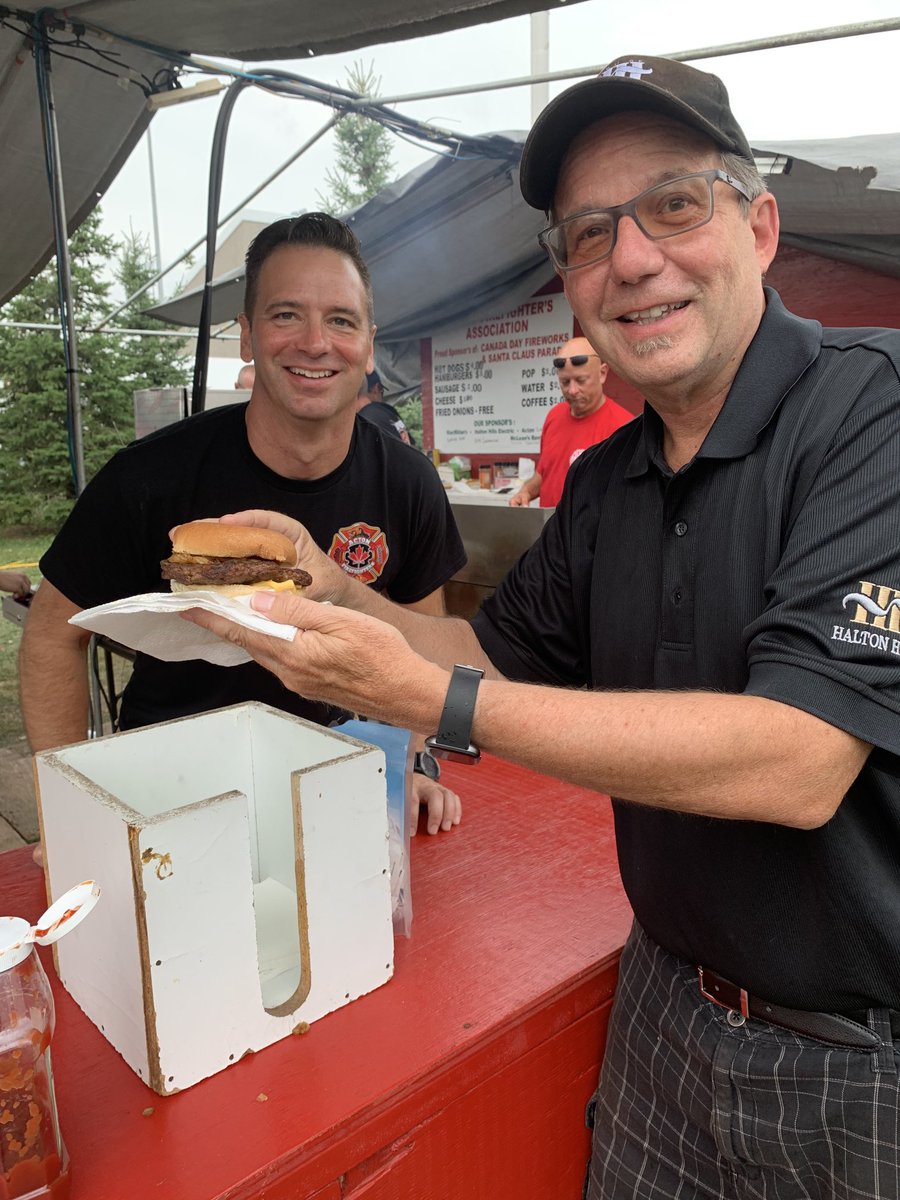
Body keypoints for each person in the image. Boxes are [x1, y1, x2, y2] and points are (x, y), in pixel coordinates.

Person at [183, 55, 900, 1198]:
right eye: (585, 235)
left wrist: (431, 704)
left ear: (759, 225)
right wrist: (331, 589)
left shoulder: (874, 408)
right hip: (663, 1002)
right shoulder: (610, 480)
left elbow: (802, 759)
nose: (630, 258)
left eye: (674, 204)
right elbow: (482, 656)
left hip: (864, 1062)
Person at [19, 213, 464, 837]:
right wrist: (65, 804)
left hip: (341, 790)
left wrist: (413, 761)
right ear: (248, 336)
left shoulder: (408, 480)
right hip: (170, 798)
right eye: (286, 315)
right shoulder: (149, 478)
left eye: (341, 319)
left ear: (368, 343)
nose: (315, 342)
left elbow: (425, 644)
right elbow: (51, 636)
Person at [508, 337, 631, 508]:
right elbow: (545, 473)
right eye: (565, 382)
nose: (572, 390)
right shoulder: (553, 416)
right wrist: (526, 491)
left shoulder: (625, 428)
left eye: (581, 381)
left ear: (602, 373)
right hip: (550, 530)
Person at [356, 369, 414, 445]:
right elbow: (413, 449)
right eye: (382, 391)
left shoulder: (365, 419)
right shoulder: (388, 411)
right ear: (377, 387)